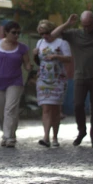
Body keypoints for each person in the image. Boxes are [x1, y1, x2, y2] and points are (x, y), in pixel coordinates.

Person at [50, 11, 93, 148]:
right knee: (78, 105)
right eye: (84, 25)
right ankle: (82, 131)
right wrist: (67, 24)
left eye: (88, 25)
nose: (86, 28)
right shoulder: (75, 34)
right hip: (80, 76)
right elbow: (53, 35)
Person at [0, 20, 31, 147]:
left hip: (15, 82)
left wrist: (30, 67)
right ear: (6, 32)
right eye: (14, 32)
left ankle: (8, 137)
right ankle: (9, 133)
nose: (16, 35)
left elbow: (27, 64)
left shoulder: (22, 48)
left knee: (10, 109)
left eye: (18, 33)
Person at [33, 19, 72, 147]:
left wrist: (56, 56)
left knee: (55, 109)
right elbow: (39, 61)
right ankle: (46, 137)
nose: (44, 36)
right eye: (42, 34)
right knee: (45, 108)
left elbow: (69, 59)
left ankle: (55, 137)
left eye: (47, 33)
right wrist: (34, 55)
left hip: (58, 78)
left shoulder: (61, 43)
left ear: (52, 31)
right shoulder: (40, 43)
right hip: (43, 78)